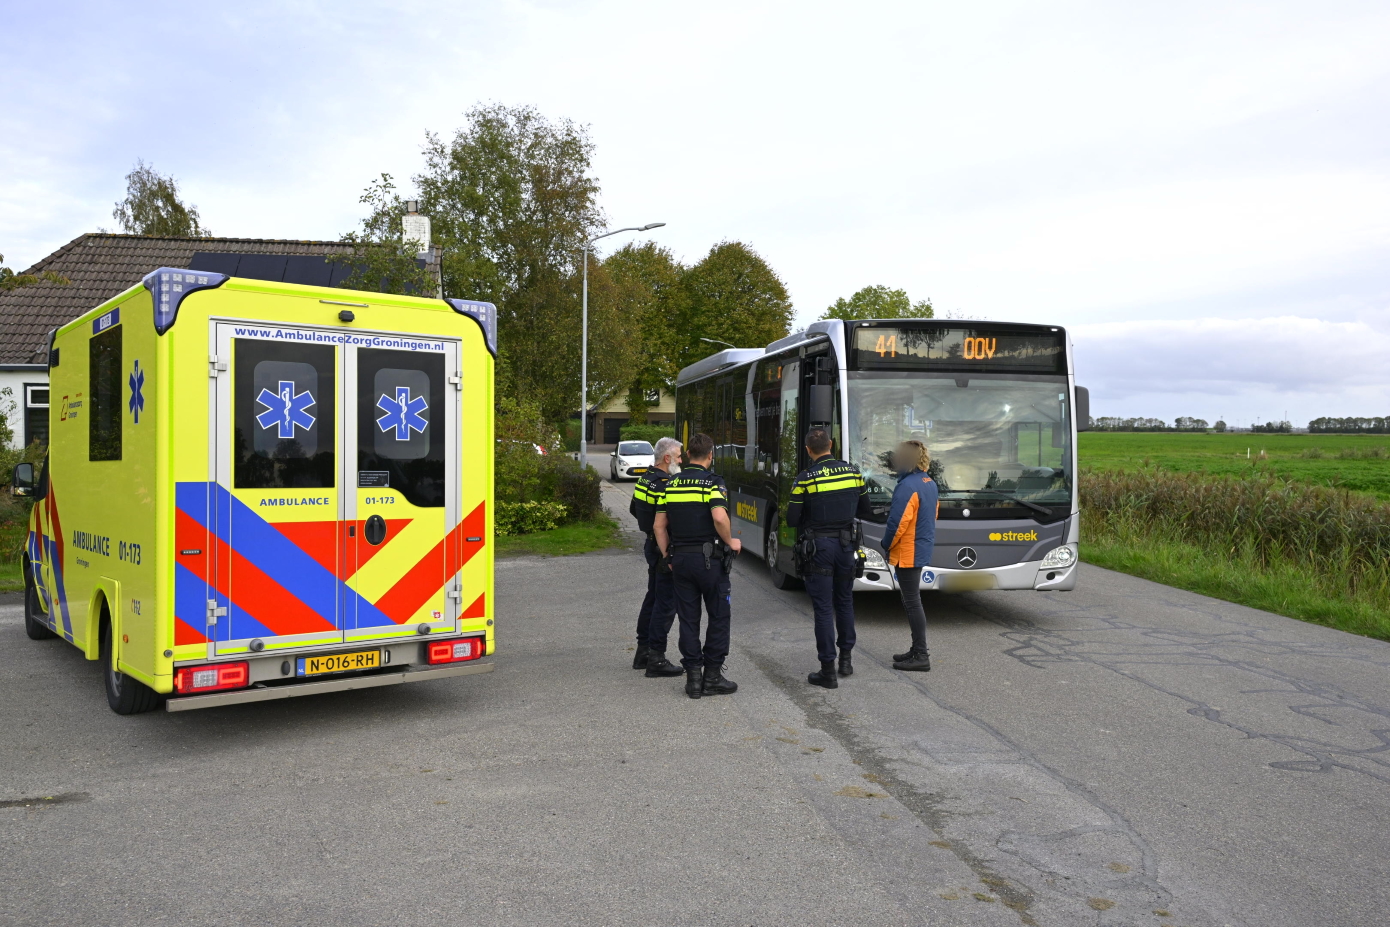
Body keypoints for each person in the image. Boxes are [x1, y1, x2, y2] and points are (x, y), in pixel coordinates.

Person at [652, 432, 741, 699]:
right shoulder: (713, 483)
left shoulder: (671, 484)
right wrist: (730, 542)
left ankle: (693, 679)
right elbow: (719, 518)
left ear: (688, 454)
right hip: (710, 561)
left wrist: (668, 555)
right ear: (711, 456)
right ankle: (712, 677)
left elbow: (659, 525)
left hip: (680, 560)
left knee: (688, 619)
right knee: (718, 616)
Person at [786, 427, 874, 689]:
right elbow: (865, 510)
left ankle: (828, 670)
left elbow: (792, 519)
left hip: (819, 548)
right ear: (831, 444)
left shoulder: (805, 478)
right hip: (847, 545)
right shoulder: (853, 473)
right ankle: (846, 660)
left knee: (824, 609)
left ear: (808, 450)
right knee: (844, 602)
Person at [628, 436, 684, 678]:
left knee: (652, 598)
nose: (682, 461)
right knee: (666, 603)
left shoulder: (645, 479)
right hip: (664, 549)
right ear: (668, 458)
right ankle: (656, 659)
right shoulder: (664, 484)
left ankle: (643, 651)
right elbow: (670, 520)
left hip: (650, 545)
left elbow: (632, 509)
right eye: (680, 456)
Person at [880, 439, 938, 671]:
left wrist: (886, 544)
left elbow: (897, 522)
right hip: (920, 547)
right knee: (912, 600)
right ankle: (916, 650)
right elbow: (933, 515)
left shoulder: (907, 486)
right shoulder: (928, 482)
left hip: (908, 550)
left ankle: (921, 655)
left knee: (912, 602)